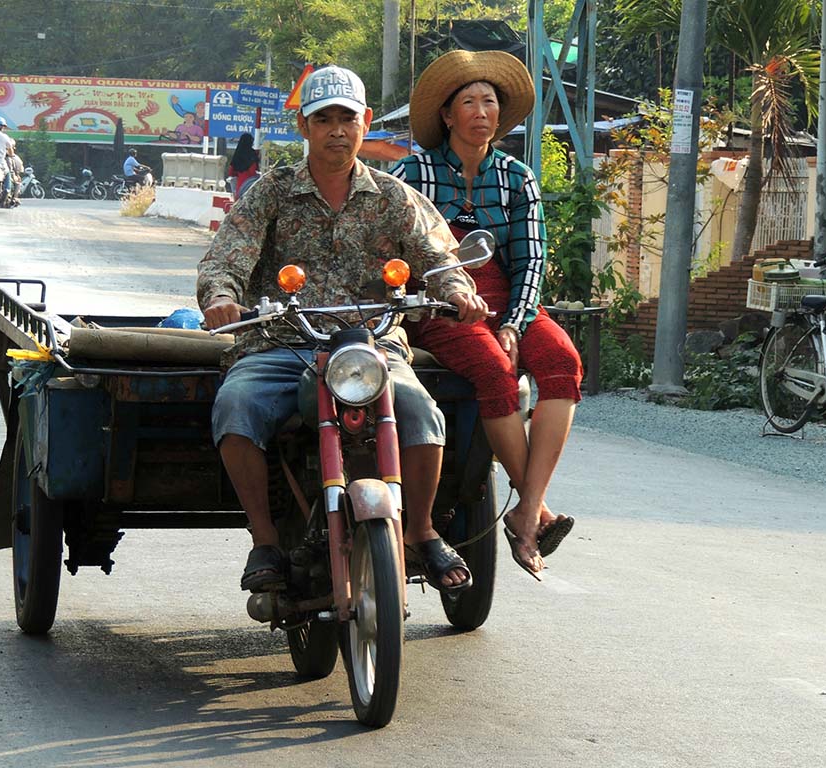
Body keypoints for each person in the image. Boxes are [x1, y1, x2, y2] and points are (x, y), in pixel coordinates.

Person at [197, 64, 489, 594]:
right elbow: (226, 258)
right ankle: (263, 540)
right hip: (282, 343)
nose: (337, 129)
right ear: (304, 128)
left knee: (423, 412)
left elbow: (437, 256)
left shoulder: (394, 198)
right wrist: (221, 298)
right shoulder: (271, 193)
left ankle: (421, 530)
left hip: (371, 346)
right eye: (323, 118)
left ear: (366, 123)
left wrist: (457, 291)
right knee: (234, 405)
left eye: (347, 118)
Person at [391, 50, 582, 579]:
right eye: (469, 102)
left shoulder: (517, 177)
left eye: (490, 102)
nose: (481, 111)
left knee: (563, 363)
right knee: (495, 371)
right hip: (439, 302)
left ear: (501, 115)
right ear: (448, 116)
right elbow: (400, 256)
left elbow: (532, 259)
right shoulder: (412, 172)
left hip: (506, 299)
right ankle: (533, 512)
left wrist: (515, 323)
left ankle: (527, 507)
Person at [229, 132, 260, 200]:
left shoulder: (237, 154)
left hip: (239, 188)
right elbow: (252, 172)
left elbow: (231, 172)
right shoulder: (252, 155)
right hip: (249, 188)